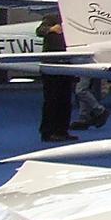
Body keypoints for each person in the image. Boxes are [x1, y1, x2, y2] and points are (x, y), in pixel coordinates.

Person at [36, 14, 75, 143]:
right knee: (52, 100)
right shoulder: (52, 17)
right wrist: (51, 29)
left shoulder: (74, 19)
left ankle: (62, 131)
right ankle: (47, 132)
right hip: (51, 66)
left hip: (67, 65)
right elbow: (39, 31)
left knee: (65, 100)